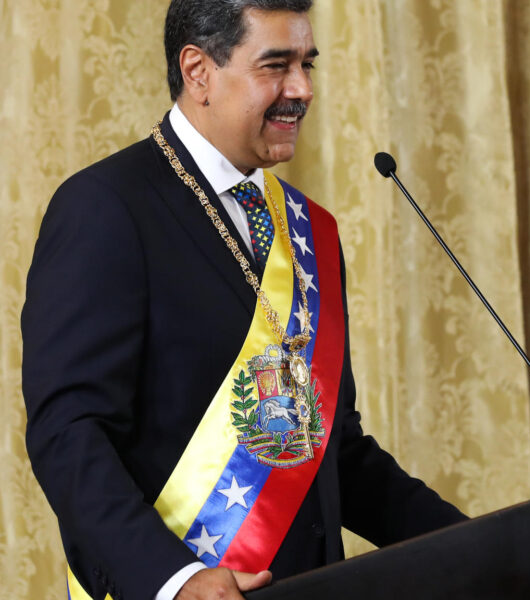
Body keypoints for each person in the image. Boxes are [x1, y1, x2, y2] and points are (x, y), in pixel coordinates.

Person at [21, 1, 466, 599]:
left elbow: (335, 451)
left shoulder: (312, 230)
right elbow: (69, 433)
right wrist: (174, 581)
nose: (302, 89)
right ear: (198, 70)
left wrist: (485, 545)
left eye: (307, 64)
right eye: (275, 65)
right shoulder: (107, 207)